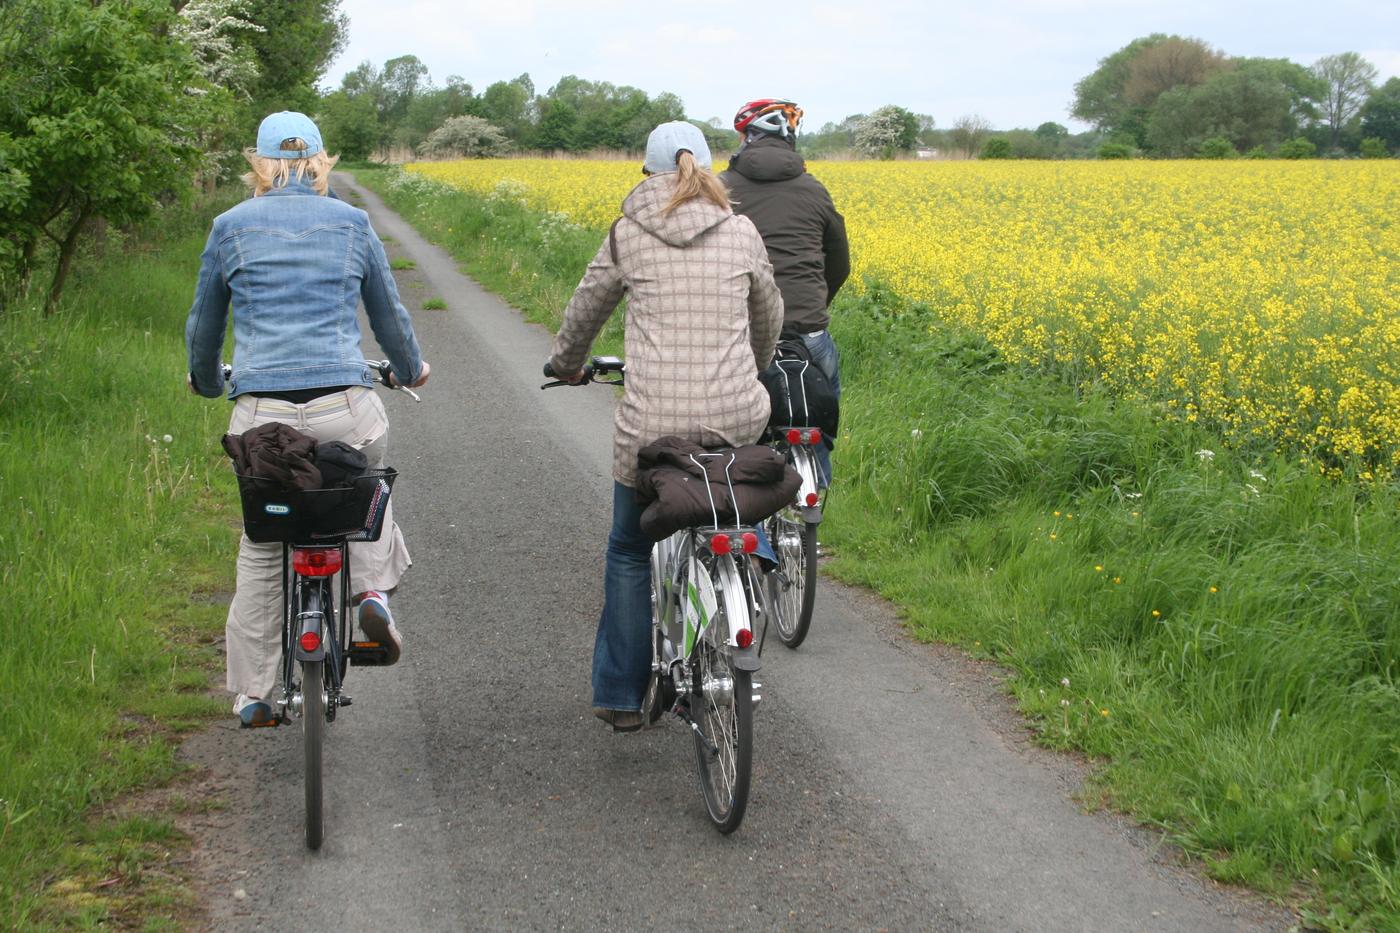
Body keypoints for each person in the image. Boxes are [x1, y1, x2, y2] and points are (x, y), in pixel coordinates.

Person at [186, 111, 431, 727]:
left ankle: (255, 694)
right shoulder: (352, 223)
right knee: (366, 478)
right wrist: (411, 368)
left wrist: (208, 378)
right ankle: (370, 593)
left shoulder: (229, 226)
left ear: (259, 166)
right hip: (340, 407)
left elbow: (205, 323)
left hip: (263, 417)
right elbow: (388, 314)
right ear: (321, 163)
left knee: (263, 543)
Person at [549, 121, 783, 732]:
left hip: (652, 428)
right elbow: (769, 312)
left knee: (630, 547)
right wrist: (751, 370)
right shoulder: (740, 230)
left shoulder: (628, 232)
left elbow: (587, 306)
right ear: (708, 169)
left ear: (646, 173)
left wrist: (567, 365)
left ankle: (622, 697)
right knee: (731, 510)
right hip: (736, 415)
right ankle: (739, 597)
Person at [719, 99, 850, 486]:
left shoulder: (720, 189)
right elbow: (839, 264)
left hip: (743, 334)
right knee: (818, 419)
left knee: (740, 432)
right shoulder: (814, 189)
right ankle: (815, 502)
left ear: (746, 138)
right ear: (790, 140)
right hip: (808, 333)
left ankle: (748, 518)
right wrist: (812, 310)